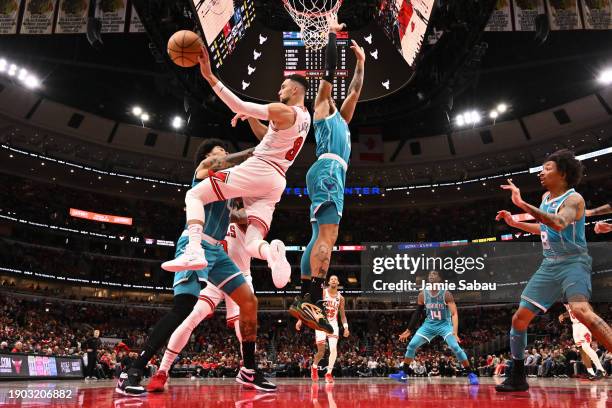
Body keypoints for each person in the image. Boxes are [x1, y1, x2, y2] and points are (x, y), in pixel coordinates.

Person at [162, 43, 312, 294]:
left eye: (283, 86)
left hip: (260, 169)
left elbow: (238, 105)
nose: (279, 90)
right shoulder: (305, 117)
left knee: (194, 194)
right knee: (252, 240)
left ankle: (194, 250)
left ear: (295, 88)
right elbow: (268, 137)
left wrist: (210, 77)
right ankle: (271, 253)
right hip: (277, 181)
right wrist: (251, 118)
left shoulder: (283, 110)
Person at [115, 139, 258, 396]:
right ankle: (132, 369)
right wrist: (251, 152)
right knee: (183, 308)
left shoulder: (228, 188)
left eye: (227, 150)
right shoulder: (202, 173)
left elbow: (241, 218)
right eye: (220, 151)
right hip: (195, 244)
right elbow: (215, 163)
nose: (224, 154)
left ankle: (249, 370)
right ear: (207, 156)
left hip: (217, 250)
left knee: (249, 301)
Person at [495, 149, 612, 392]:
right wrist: (516, 223)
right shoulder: (547, 197)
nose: (541, 172)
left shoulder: (574, 199)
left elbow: (558, 223)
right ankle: (517, 376)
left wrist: (521, 204)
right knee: (519, 319)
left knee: (581, 311)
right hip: (549, 264)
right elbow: (546, 228)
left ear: (563, 173)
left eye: (548, 168)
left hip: (573, 262)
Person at [148, 200, 275, 392]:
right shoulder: (213, 213)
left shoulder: (249, 215)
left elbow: (245, 225)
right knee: (190, 319)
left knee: (245, 326)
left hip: (239, 276)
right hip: (213, 274)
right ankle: (163, 370)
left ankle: (248, 369)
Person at [289, 17, 366, 334]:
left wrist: (360, 62)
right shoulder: (321, 105)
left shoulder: (342, 119)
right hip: (329, 170)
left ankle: (303, 297)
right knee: (328, 238)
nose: (337, 91)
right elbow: (330, 72)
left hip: (327, 172)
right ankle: (312, 298)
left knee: (317, 237)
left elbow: (356, 89)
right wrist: (333, 37)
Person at [388, 270, 479, 385]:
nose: (432, 275)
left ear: (439, 279)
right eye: (430, 274)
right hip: (429, 325)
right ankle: (403, 374)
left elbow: (454, 314)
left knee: (456, 348)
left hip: (444, 325)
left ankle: (471, 374)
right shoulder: (422, 294)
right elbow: (417, 313)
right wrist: (408, 330)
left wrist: (455, 332)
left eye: (435, 274)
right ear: (427, 279)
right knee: (411, 345)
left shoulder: (446, 294)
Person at [296, 275, 349, 383]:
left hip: (333, 324)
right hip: (321, 323)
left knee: (333, 349)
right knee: (321, 351)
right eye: (332, 279)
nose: (334, 280)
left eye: (335, 279)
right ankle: (314, 367)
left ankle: (328, 373)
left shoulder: (341, 298)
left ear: (338, 282)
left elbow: (342, 315)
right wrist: (300, 319)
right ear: (328, 282)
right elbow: (309, 304)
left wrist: (346, 328)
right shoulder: (323, 292)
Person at [559, 303, 606, 380]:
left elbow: (590, 311)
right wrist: (563, 315)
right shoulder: (567, 298)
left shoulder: (580, 299)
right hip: (575, 326)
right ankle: (590, 372)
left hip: (583, 325)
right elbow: (571, 312)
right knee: (582, 350)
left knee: (586, 347)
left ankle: (601, 369)